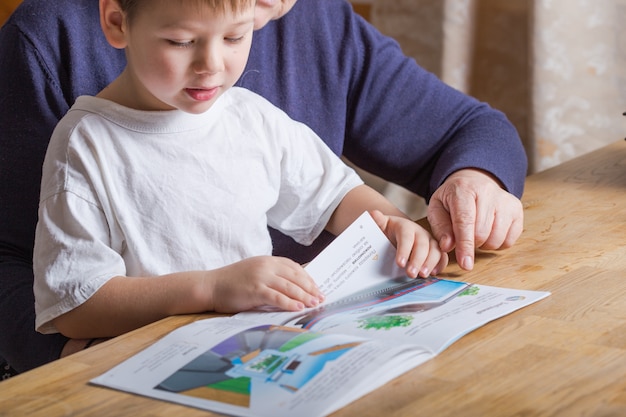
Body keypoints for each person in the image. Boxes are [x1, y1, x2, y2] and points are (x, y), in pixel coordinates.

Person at [0, 0, 526, 373]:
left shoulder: (250, 114)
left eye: (235, 36)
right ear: (116, 22)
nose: (213, 65)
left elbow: (334, 194)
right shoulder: (85, 139)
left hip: (270, 352)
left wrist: (385, 222)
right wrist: (209, 289)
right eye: (182, 41)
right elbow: (69, 299)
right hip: (149, 367)